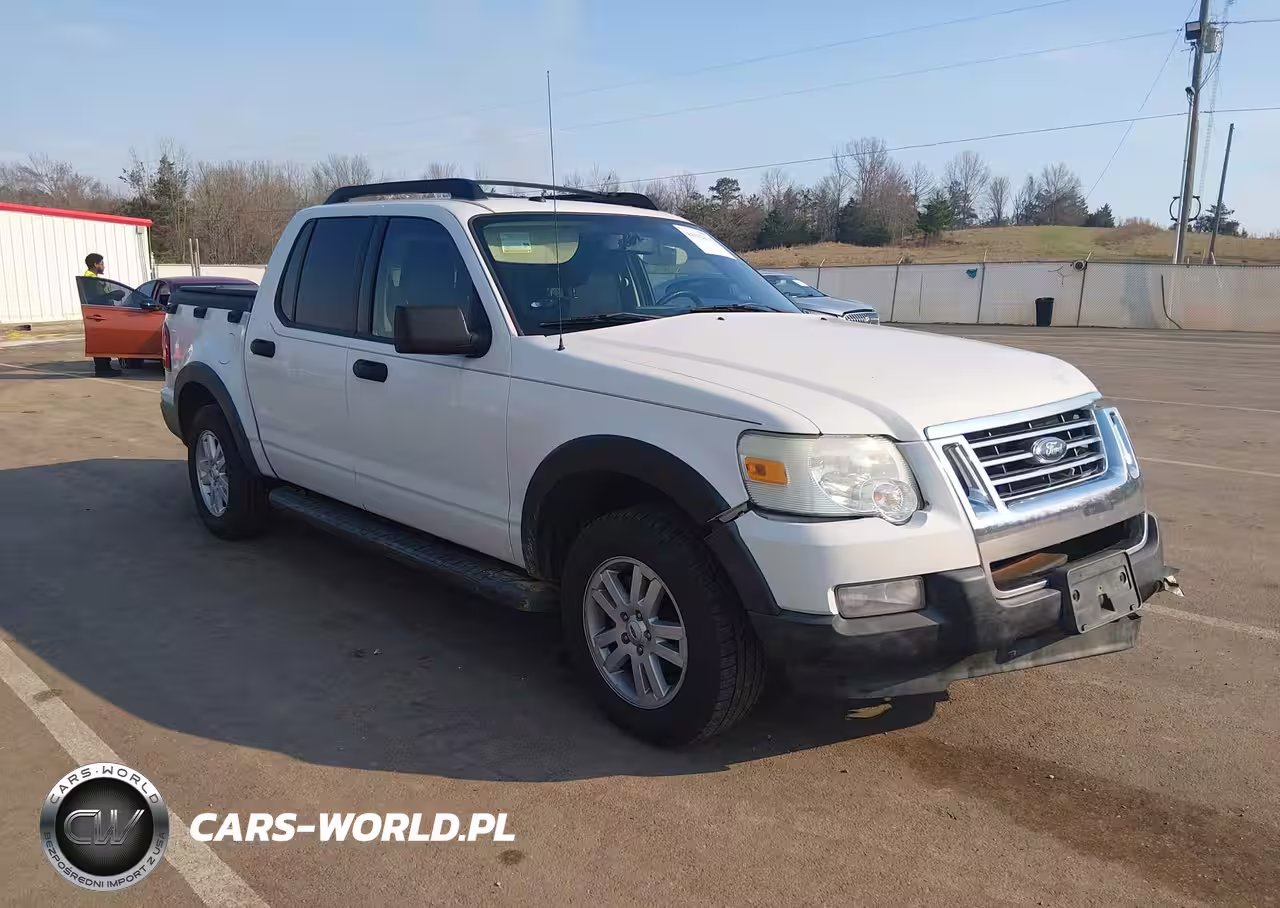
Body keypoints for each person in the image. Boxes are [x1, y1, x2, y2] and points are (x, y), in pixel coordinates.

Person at [83, 253, 122, 376]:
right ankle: (102, 368)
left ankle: (105, 367)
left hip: (100, 314)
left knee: (103, 341)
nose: (103, 266)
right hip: (99, 315)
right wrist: (113, 295)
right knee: (101, 341)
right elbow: (96, 298)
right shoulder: (91, 280)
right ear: (96, 264)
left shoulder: (91, 278)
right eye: (102, 264)